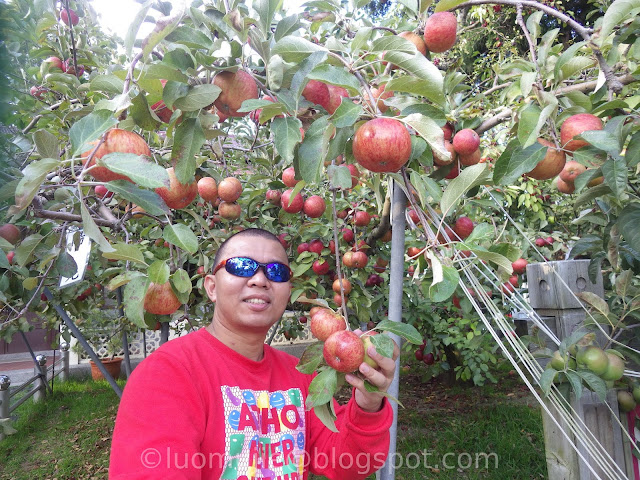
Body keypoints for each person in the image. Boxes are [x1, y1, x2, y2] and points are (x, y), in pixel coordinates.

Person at [109, 228, 398, 480]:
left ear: (287, 292)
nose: (260, 279)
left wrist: (368, 403)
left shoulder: (300, 374)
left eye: (276, 272)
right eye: (242, 266)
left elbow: (346, 464)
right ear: (211, 287)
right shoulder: (166, 375)